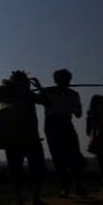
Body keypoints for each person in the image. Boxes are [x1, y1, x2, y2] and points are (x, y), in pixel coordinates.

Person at [0, 70, 48, 205]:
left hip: (29, 138)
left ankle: (31, 200)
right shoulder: (13, 94)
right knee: (19, 172)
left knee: (34, 170)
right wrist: (39, 88)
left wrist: (38, 88)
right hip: (17, 139)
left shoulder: (26, 95)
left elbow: (46, 102)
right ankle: (23, 201)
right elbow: (46, 102)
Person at [35, 69, 87, 197]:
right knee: (59, 156)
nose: (66, 81)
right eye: (63, 79)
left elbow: (78, 114)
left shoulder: (73, 94)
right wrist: (40, 90)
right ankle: (65, 187)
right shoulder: (48, 91)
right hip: (53, 125)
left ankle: (76, 186)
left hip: (65, 123)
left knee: (73, 154)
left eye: (67, 79)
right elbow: (38, 100)